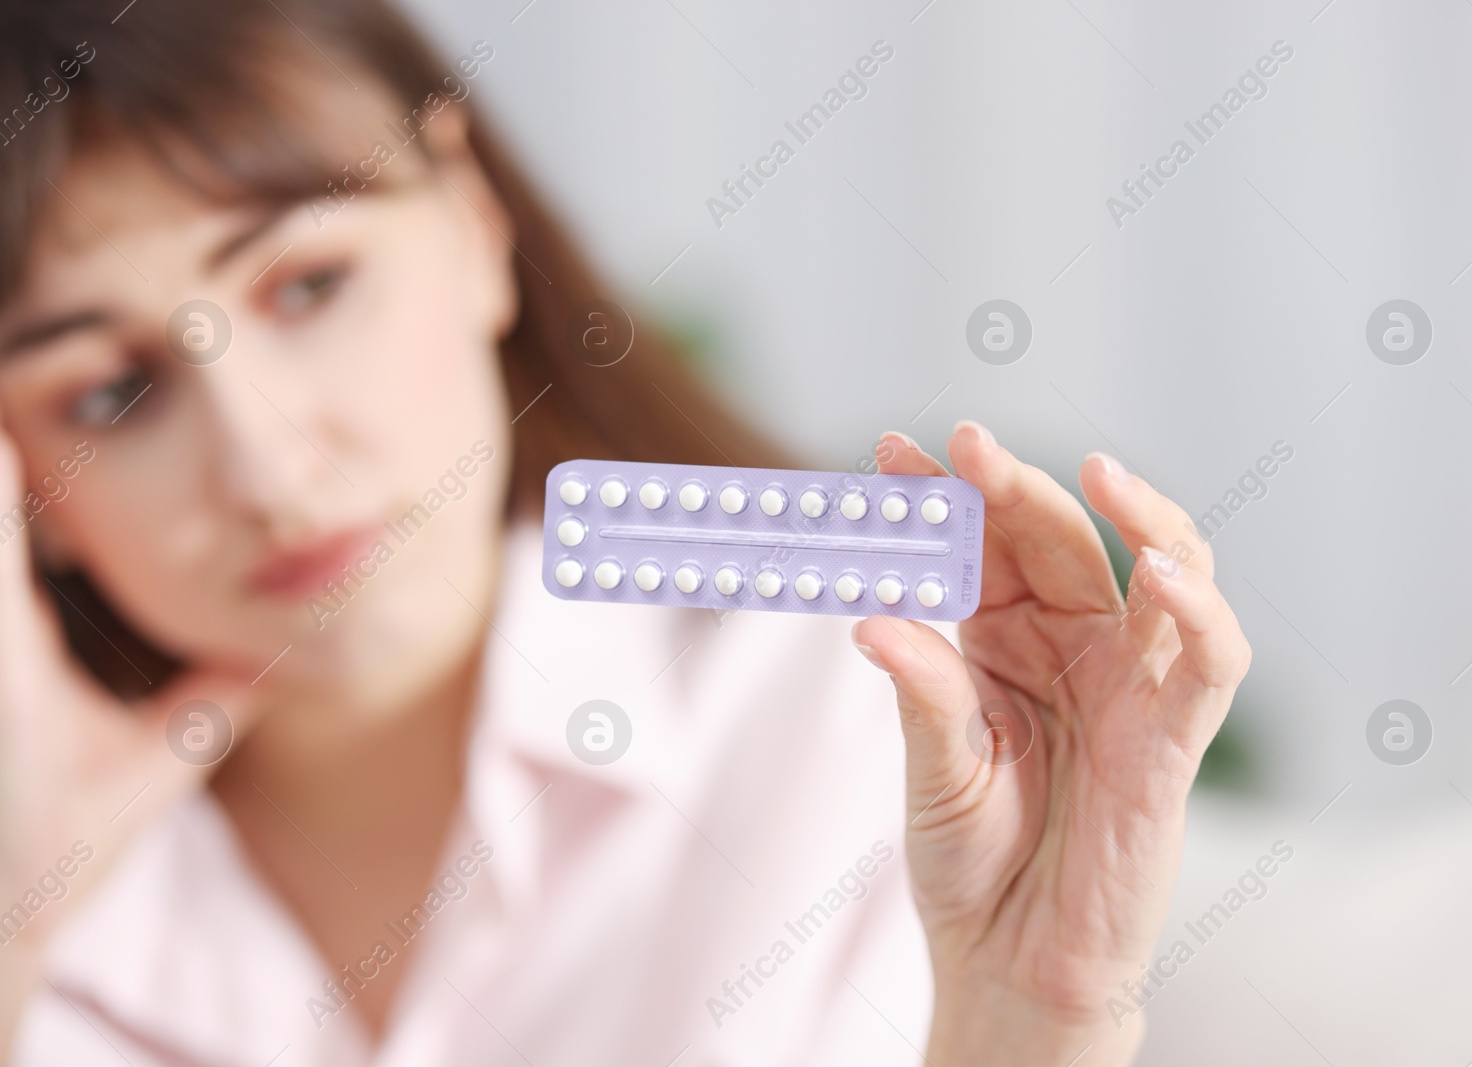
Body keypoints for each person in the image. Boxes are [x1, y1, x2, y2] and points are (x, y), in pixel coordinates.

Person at [0, 2, 1250, 1063]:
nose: (268, 464)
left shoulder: (865, 723)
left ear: (476, 224)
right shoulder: (38, 892)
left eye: (311, 284)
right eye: (110, 392)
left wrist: (1029, 1019)